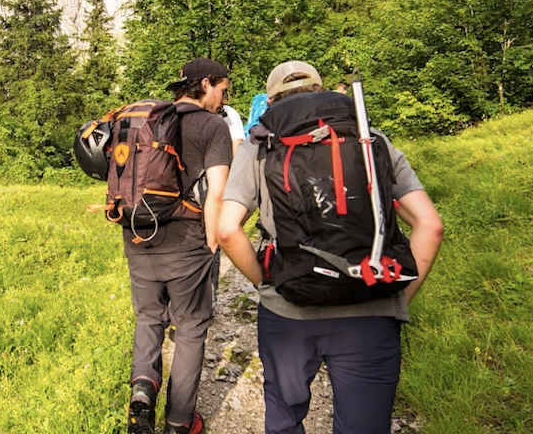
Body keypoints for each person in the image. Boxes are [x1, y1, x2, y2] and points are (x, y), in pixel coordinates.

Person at [215, 61, 444, 434]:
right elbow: (430, 227)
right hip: (371, 308)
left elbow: (226, 231)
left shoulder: (261, 145)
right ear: (322, 91)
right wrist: (397, 297)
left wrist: (265, 286)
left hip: (289, 311)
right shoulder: (371, 139)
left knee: (285, 420)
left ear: (272, 101)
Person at [127, 58, 233, 434]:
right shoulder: (213, 126)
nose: (224, 97)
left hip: (138, 235)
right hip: (186, 242)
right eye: (223, 88)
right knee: (189, 327)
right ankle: (179, 422)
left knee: (148, 317)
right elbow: (218, 194)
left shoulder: (152, 119)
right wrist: (211, 245)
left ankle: (142, 390)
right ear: (205, 84)